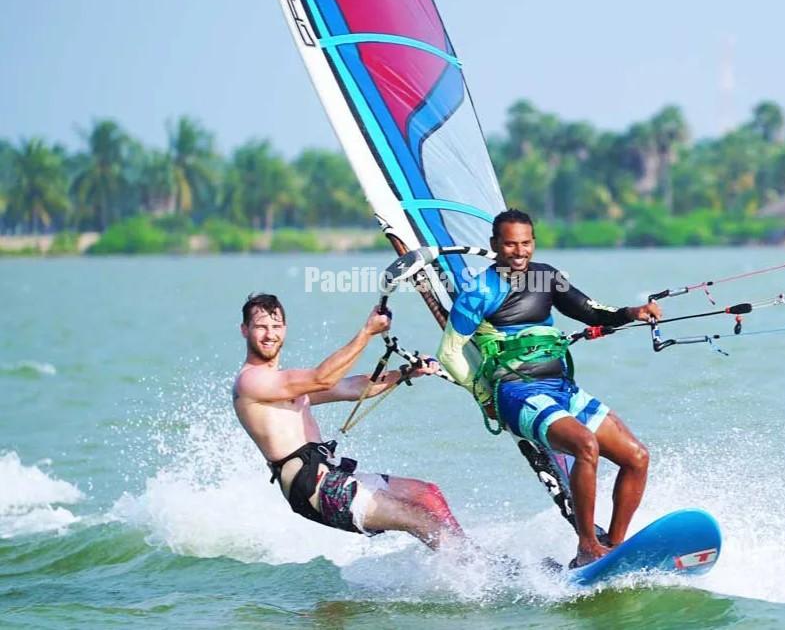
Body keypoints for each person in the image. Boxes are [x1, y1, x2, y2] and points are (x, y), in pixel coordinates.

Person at [437, 209, 660, 568]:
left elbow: (591, 311)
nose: (519, 251)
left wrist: (632, 312)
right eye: (510, 244)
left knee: (637, 457)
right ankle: (588, 547)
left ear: (533, 243)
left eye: (526, 243)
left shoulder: (545, 277)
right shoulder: (479, 291)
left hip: (560, 388)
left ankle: (614, 547)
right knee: (585, 445)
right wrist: (484, 397)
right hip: (516, 392)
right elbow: (449, 352)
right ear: (495, 245)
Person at [233, 292, 465, 549]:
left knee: (428, 494)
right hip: (315, 491)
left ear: (284, 329)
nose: (270, 334)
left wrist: (405, 372)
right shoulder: (251, 382)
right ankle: (471, 570)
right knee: (419, 519)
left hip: (333, 476)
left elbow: (353, 388)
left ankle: (467, 553)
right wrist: (367, 332)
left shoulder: (283, 385)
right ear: (245, 330)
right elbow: (324, 378)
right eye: (261, 327)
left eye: (276, 326)